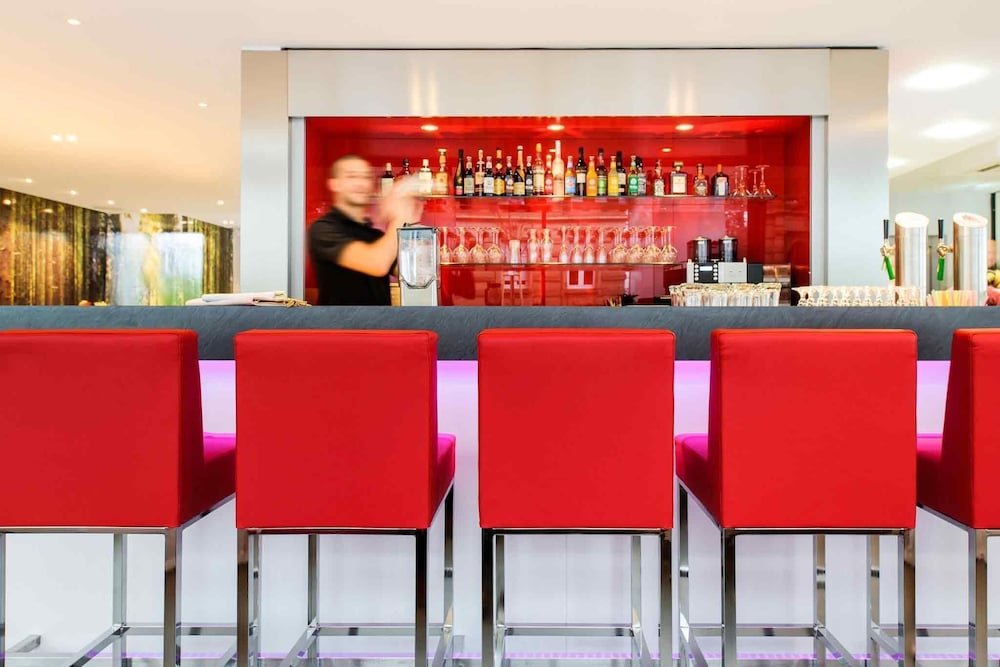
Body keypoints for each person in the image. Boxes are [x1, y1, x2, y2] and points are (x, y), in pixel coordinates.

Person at [308, 154, 423, 305]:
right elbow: (378, 264)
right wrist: (400, 217)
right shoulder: (323, 229)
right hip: (340, 321)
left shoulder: (375, 236)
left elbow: (411, 275)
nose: (361, 183)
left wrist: (411, 219)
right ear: (334, 184)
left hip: (381, 320)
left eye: (366, 177)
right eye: (352, 176)